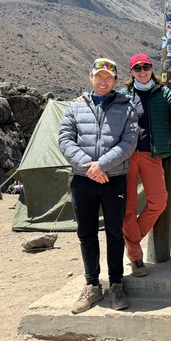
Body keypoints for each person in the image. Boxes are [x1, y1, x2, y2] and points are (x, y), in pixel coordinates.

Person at [58, 58, 138, 314]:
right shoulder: (75, 107)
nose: (103, 81)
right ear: (90, 77)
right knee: (87, 234)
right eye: (99, 76)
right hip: (83, 180)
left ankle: (116, 283)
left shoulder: (126, 108)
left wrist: (101, 165)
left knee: (115, 233)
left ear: (115, 81)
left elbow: (129, 142)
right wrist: (88, 167)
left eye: (109, 78)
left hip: (113, 179)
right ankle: (92, 284)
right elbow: (65, 139)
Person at [120, 53, 171, 277]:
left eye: (146, 66)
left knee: (159, 201)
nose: (142, 71)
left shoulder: (164, 93)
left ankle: (131, 241)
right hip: (126, 156)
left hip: (152, 154)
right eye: (137, 68)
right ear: (131, 71)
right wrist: (84, 100)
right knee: (127, 207)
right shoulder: (122, 95)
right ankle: (136, 258)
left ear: (151, 68)